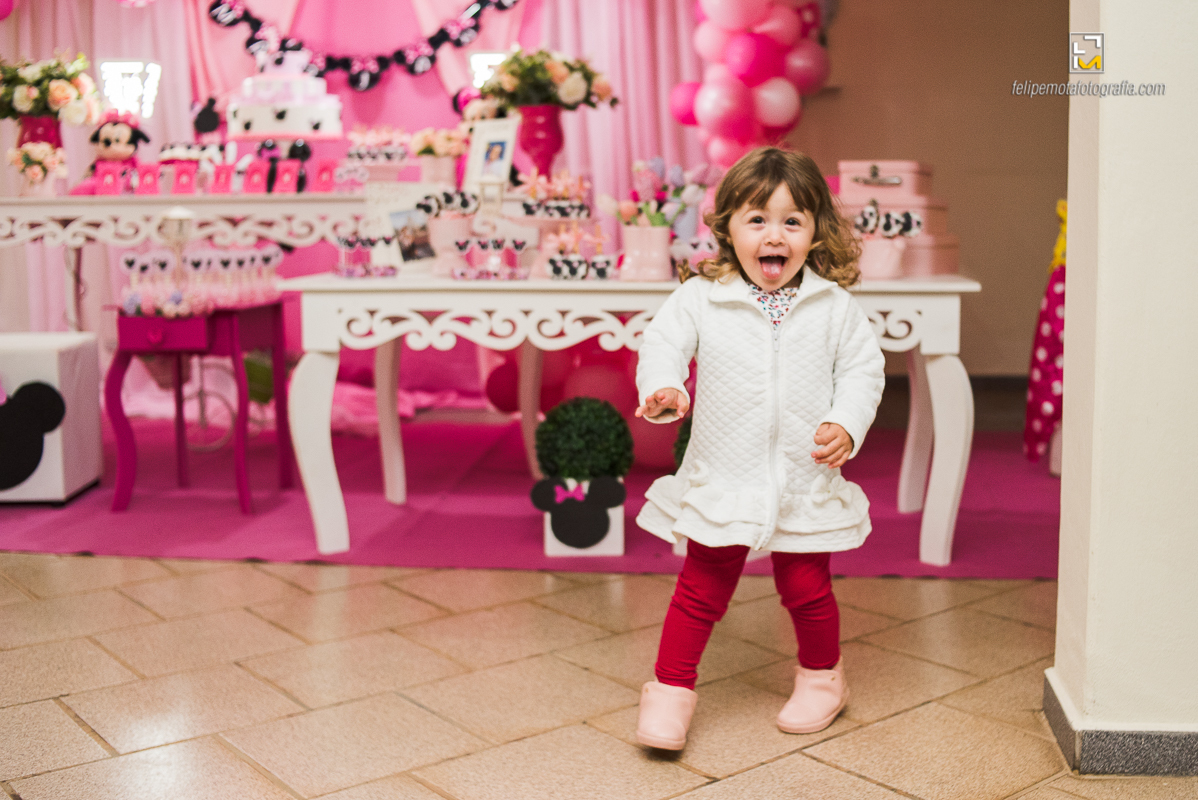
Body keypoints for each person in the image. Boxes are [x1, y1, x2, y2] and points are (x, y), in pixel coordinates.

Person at [632, 147, 885, 750]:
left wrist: (846, 423)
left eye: (792, 221)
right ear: (728, 229)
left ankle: (823, 681)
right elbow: (663, 343)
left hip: (803, 476)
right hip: (726, 472)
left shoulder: (834, 307)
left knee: (806, 586)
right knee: (701, 587)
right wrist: (665, 386)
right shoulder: (702, 297)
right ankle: (669, 693)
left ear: (815, 231)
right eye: (757, 220)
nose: (775, 235)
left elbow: (862, 372)